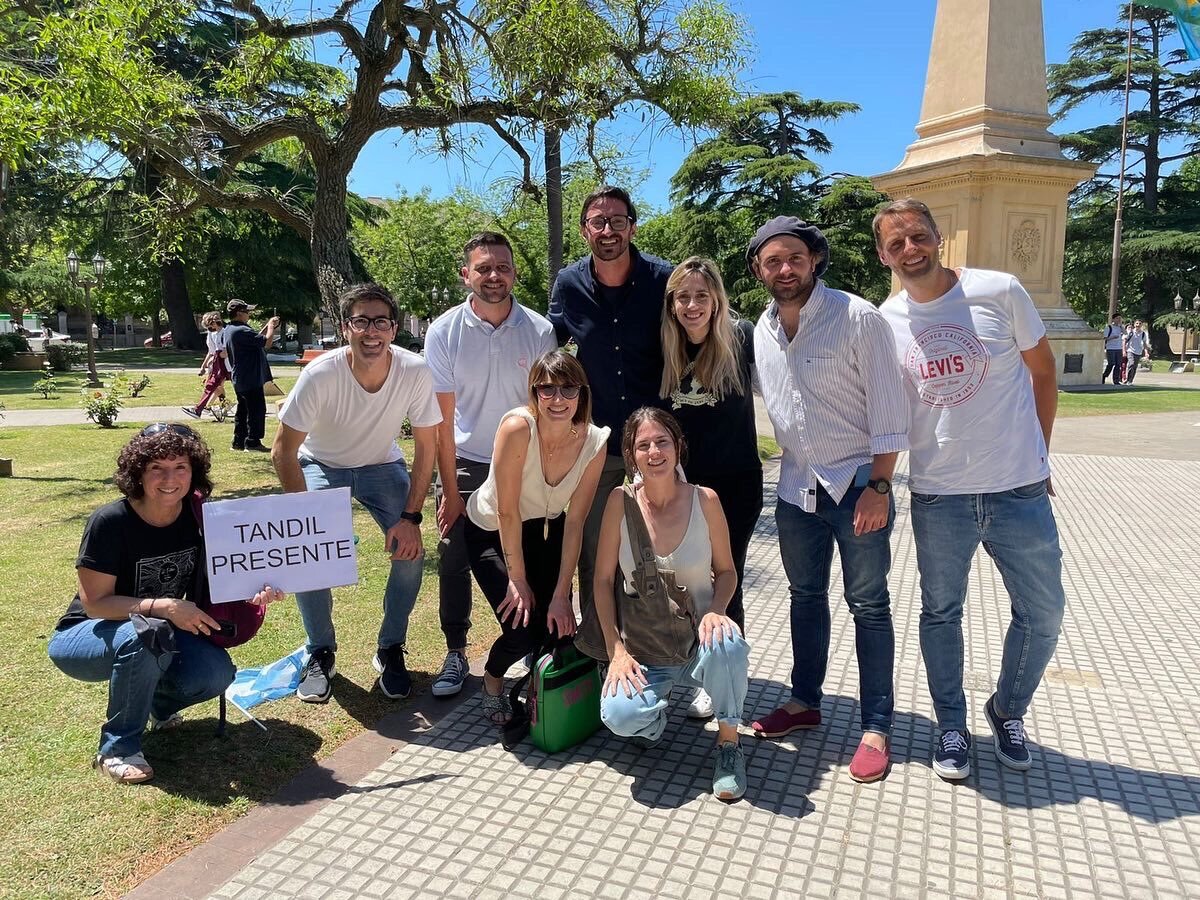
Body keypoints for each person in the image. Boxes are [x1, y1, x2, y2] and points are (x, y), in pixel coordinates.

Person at [874, 198, 1067, 780]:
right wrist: (878, 482)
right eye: (896, 243)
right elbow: (887, 412)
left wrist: (1040, 452)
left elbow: (1044, 372)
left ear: (938, 237)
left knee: (1044, 613)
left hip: (1018, 489)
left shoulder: (999, 290)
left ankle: (1007, 708)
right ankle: (950, 724)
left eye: (918, 236)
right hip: (939, 496)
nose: (911, 249)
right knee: (941, 614)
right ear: (883, 255)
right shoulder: (886, 322)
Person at [748, 216, 910, 785]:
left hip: (858, 485)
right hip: (796, 488)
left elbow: (891, 410)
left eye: (794, 257)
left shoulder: (857, 317)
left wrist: (881, 487)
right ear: (758, 270)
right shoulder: (760, 330)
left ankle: (875, 725)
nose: (784, 268)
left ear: (814, 258)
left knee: (869, 604)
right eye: (772, 260)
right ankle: (803, 701)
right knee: (805, 596)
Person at [47, 423, 284, 784]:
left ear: (194, 472)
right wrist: (165, 606)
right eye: (157, 467)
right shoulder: (110, 522)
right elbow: (95, 604)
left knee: (216, 673)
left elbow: (231, 576)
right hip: (84, 634)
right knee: (146, 634)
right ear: (138, 472)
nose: (169, 478)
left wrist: (259, 588)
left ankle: (159, 706)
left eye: (180, 467)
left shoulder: (200, 520)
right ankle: (118, 748)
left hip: (156, 631)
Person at [272, 283, 441, 703]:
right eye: (360, 321)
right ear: (345, 327)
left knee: (411, 551)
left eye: (380, 322)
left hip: (381, 465)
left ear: (394, 328)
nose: (371, 331)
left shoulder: (414, 370)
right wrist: (305, 520)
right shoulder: (321, 374)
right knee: (311, 557)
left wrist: (411, 518)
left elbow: (427, 448)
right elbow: (283, 451)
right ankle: (321, 651)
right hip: (320, 463)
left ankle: (390, 647)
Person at [592, 407, 751, 801]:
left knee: (729, 642)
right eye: (643, 445)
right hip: (646, 648)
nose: (654, 452)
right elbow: (602, 580)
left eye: (662, 441)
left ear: (678, 447)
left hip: (698, 641)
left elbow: (728, 572)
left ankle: (728, 745)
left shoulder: (706, 500)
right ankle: (652, 720)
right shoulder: (619, 503)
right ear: (631, 455)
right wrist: (615, 650)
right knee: (619, 716)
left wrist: (717, 609)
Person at [424, 233, 557, 698]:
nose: (494, 276)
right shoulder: (442, 331)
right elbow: (439, 418)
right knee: (454, 557)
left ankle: (534, 642)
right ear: (466, 275)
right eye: (483, 268)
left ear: (515, 273)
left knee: (531, 552)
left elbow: (545, 405)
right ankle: (456, 651)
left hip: (524, 463)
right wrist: (451, 489)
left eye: (503, 267)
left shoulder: (539, 329)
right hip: (466, 462)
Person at [463, 350, 608, 724]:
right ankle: (493, 682)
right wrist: (517, 579)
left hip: (545, 529)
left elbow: (575, 521)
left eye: (567, 388)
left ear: (582, 393)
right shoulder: (517, 428)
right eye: (546, 389)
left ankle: (539, 696)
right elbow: (506, 511)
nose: (558, 399)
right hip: (493, 529)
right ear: (534, 392)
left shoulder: (594, 441)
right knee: (521, 628)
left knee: (557, 626)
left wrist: (563, 595)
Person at [548, 185, 673, 614]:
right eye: (597, 222)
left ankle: (663, 645)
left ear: (632, 227)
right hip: (597, 441)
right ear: (584, 231)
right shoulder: (568, 284)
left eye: (617, 221)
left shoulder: (663, 280)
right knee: (594, 548)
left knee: (660, 545)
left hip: (654, 439)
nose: (608, 230)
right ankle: (600, 648)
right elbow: (548, 345)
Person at [657, 256, 762, 721]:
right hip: (684, 488)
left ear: (717, 299)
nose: (693, 305)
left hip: (736, 485)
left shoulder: (742, 339)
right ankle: (694, 665)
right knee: (686, 580)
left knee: (725, 576)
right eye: (684, 296)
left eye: (702, 295)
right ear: (672, 303)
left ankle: (723, 677)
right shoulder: (664, 346)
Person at [223, 299, 279, 452]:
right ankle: (253, 442)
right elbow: (266, 342)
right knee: (257, 410)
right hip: (250, 377)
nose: (249, 315)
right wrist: (272, 327)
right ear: (239, 313)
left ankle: (238, 442)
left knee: (243, 410)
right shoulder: (241, 330)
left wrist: (267, 327)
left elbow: (256, 339)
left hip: (240, 377)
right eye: (247, 312)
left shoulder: (230, 329)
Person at [183, 312, 229, 420]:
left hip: (227, 365)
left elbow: (226, 351)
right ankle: (200, 409)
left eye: (209, 327)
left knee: (215, 386)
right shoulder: (216, 334)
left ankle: (204, 408)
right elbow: (213, 351)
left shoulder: (225, 333)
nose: (209, 329)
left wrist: (218, 355)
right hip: (219, 364)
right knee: (213, 385)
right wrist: (205, 364)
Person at [1101, 314, 1124, 385]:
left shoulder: (1120, 327)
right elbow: (1104, 338)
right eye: (1117, 318)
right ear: (1113, 319)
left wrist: (1121, 326)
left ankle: (1116, 380)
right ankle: (1104, 375)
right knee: (1111, 363)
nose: (1119, 320)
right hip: (1111, 348)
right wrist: (1112, 337)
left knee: (1118, 364)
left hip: (1119, 348)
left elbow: (1126, 333)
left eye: (1120, 318)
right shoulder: (1109, 327)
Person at [1124, 319, 1150, 384]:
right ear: (1134, 324)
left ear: (1141, 325)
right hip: (1130, 350)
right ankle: (1127, 379)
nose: (1138, 325)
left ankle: (1130, 380)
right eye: (1137, 323)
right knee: (1131, 364)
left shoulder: (1143, 334)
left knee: (1134, 367)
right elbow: (1124, 341)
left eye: (1139, 324)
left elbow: (1144, 344)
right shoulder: (1130, 332)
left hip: (1138, 352)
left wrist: (1146, 352)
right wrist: (1124, 351)